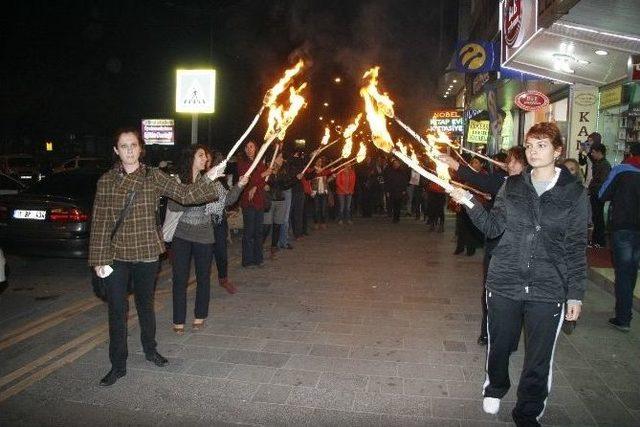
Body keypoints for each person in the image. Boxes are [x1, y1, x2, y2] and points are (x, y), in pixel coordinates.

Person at [449, 122, 587, 425]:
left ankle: (528, 410)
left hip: (549, 287)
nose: (534, 151)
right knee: (499, 345)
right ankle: (495, 387)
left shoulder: (574, 193)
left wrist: (575, 292)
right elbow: (493, 227)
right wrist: (468, 202)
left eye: (542, 145)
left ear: (558, 150)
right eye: (530, 145)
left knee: (539, 358)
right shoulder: (511, 186)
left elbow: (576, 246)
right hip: (505, 282)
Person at [89, 127, 226, 386]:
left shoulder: (154, 176)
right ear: (116, 150)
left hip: (147, 252)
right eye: (124, 146)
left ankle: (150, 350)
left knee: (145, 306)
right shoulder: (106, 181)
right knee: (117, 310)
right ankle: (118, 364)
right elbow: (100, 222)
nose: (129, 150)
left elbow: (185, 195)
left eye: (133, 145)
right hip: (116, 255)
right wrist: (99, 259)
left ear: (141, 149)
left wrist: (209, 179)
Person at [441, 147, 526, 345]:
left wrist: (455, 165)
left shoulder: (524, 185)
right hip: (497, 247)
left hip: (519, 251)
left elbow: (485, 181)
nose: (509, 165)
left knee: (515, 298)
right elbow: (487, 191)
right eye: (509, 161)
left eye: (515, 161)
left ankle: (509, 335)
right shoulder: (504, 182)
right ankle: (487, 331)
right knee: (491, 292)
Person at [168, 146, 247, 335]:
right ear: (191, 158)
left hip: (204, 234)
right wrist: (205, 180)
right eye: (201, 156)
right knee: (180, 279)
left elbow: (226, 201)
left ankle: (200, 315)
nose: (205, 159)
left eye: (206, 157)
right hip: (182, 235)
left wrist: (240, 186)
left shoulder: (212, 183)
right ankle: (178, 319)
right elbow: (174, 204)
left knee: (203, 278)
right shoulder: (178, 181)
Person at [599, 143, 640, 332]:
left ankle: (623, 317)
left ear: (630, 153)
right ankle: (625, 312)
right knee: (632, 271)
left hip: (623, 226)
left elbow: (602, 194)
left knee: (624, 272)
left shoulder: (622, 170)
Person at [206, 151, 246, 295]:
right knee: (204, 255)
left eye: (210, 160)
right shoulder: (200, 179)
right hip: (204, 223)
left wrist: (240, 185)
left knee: (221, 253)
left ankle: (223, 279)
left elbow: (228, 200)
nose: (207, 163)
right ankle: (203, 283)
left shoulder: (220, 181)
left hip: (219, 221)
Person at [236, 141, 271, 268]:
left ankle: (258, 259)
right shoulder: (242, 163)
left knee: (258, 232)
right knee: (249, 232)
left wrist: (256, 186)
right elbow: (247, 179)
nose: (250, 149)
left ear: (256, 149)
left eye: (252, 146)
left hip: (259, 201)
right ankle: (247, 260)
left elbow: (263, 181)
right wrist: (262, 176)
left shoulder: (260, 163)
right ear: (245, 149)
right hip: (248, 201)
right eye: (248, 147)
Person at [586, 139, 611, 247]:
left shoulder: (604, 165)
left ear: (599, 152)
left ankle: (599, 241)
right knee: (596, 217)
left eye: (593, 152)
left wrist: (592, 187)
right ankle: (597, 240)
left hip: (598, 194)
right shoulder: (599, 163)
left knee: (598, 218)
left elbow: (603, 181)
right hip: (596, 193)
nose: (592, 154)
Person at [383, 158, 409, 223]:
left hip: (399, 190)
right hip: (392, 190)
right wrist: (387, 191)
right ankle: (394, 217)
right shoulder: (390, 171)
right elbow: (387, 181)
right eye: (394, 164)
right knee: (393, 204)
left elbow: (404, 181)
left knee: (398, 204)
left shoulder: (402, 172)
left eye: (397, 163)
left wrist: (404, 190)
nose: (395, 165)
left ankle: (397, 217)